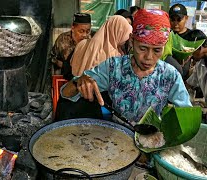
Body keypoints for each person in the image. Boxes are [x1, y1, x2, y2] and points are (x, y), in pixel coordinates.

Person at [61, 9, 192, 124]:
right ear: (131, 40)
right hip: (117, 139)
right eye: (143, 48)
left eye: (157, 50)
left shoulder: (170, 75)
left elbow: (186, 115)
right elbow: (65, 93)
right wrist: (79, 81)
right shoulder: (114, 67)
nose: (149, 57)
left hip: (152, 140)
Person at [186, 30, 207, 105]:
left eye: (191, 50)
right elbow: (190, 83)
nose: (190, 54)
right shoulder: (199, 65)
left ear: (200, 47)